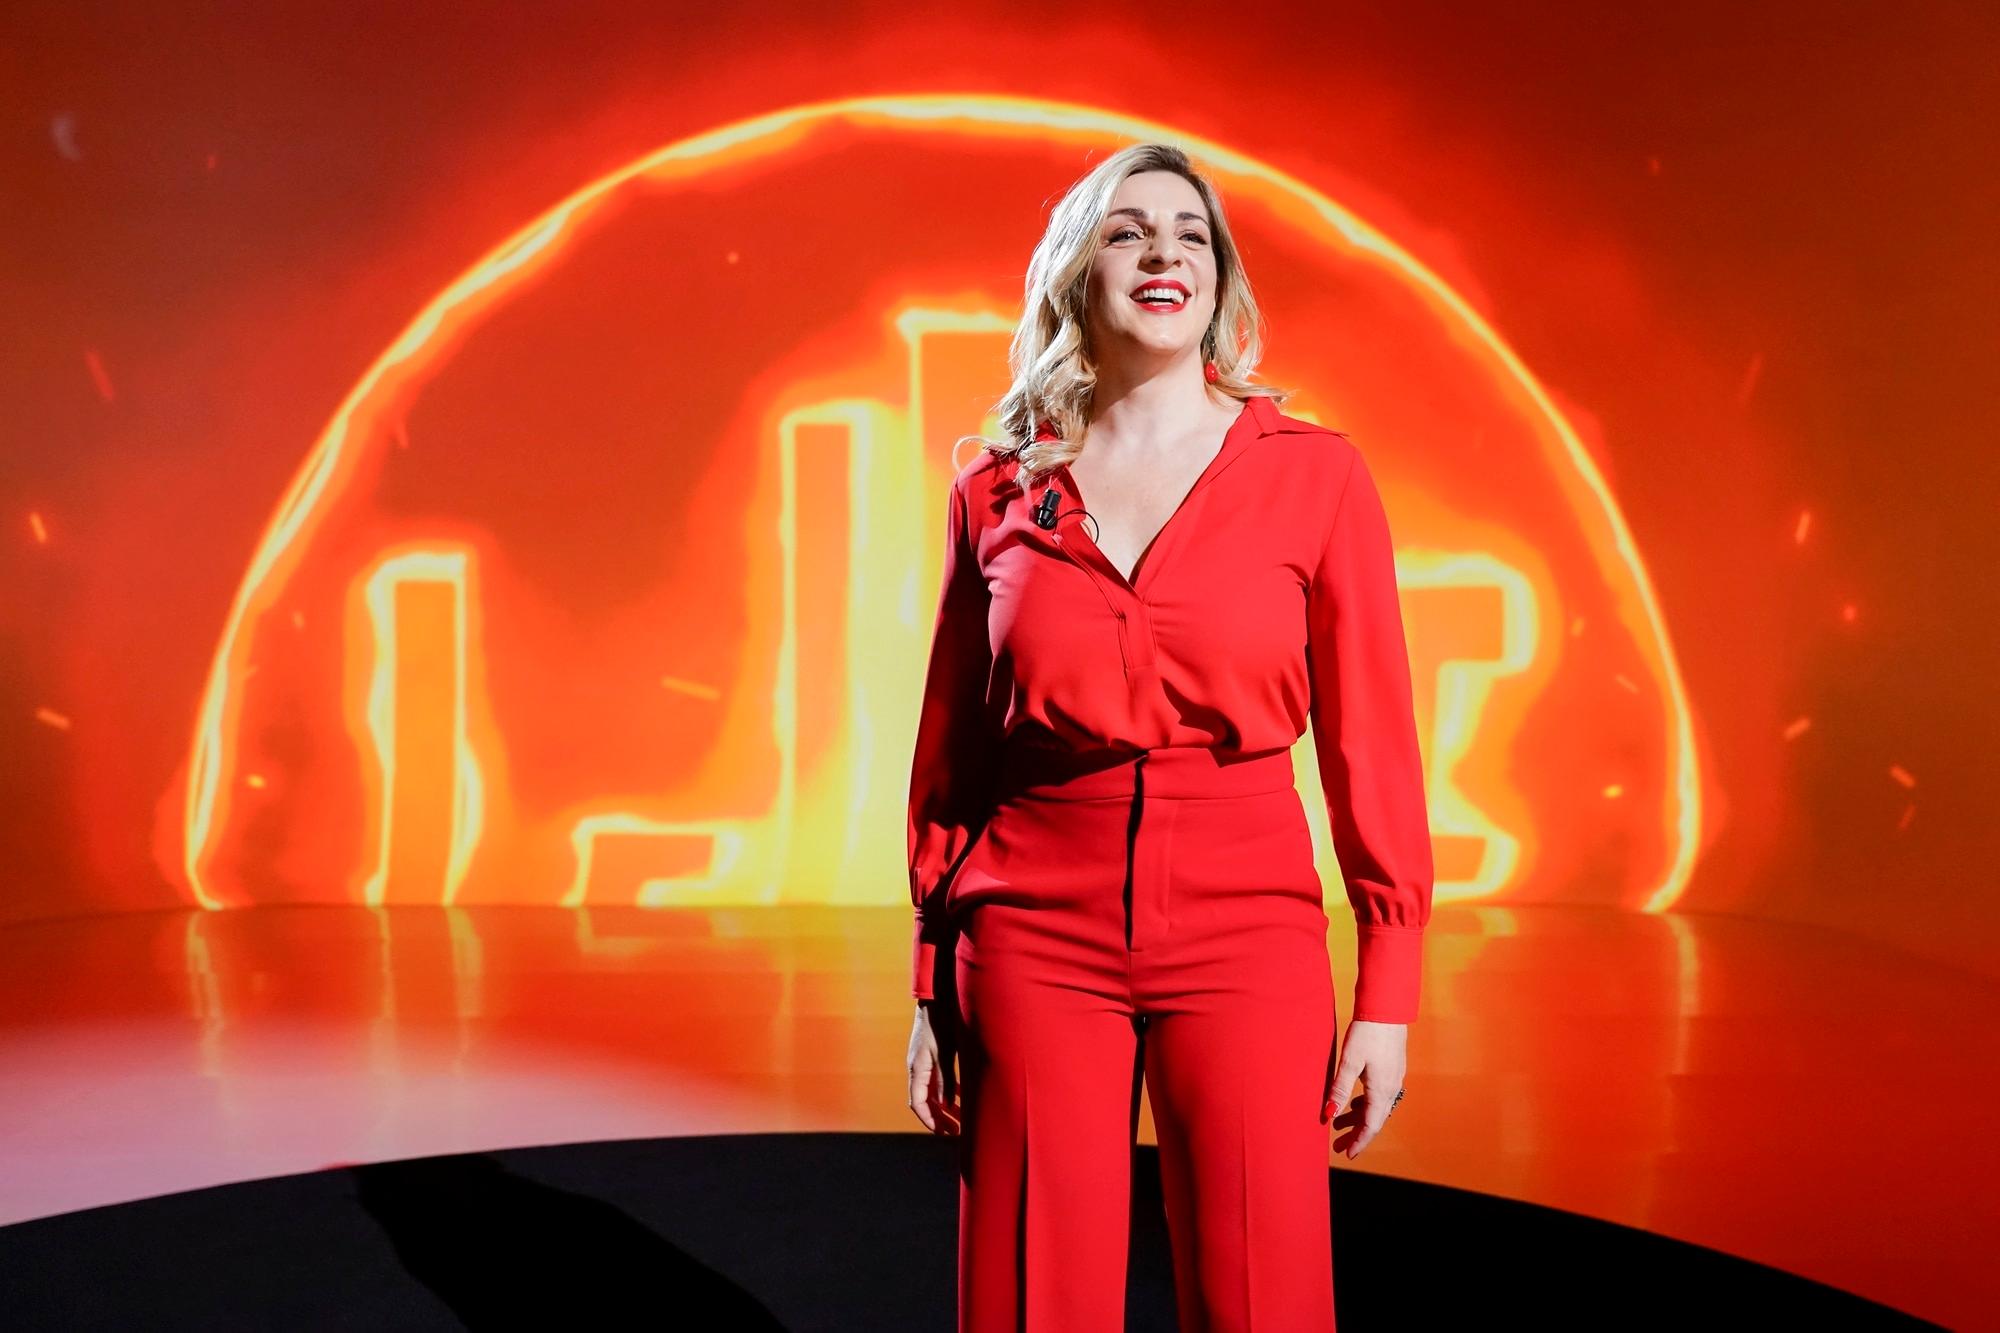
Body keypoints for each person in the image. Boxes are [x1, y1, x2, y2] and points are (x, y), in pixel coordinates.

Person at [902, 141, 1434, 1332]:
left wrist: (1387, 990)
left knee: (1262, 1301)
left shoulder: (1317, 476)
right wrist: (930, 974)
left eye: (1190, 234)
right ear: (1075, 272)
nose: (1162, 253)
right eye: (1126, 231)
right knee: (1031, 1302)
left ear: (1218, 277)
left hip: (1248, 924)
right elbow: (951, 751)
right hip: (1030, 925)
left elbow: (1371, 744)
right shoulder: (995, 486)